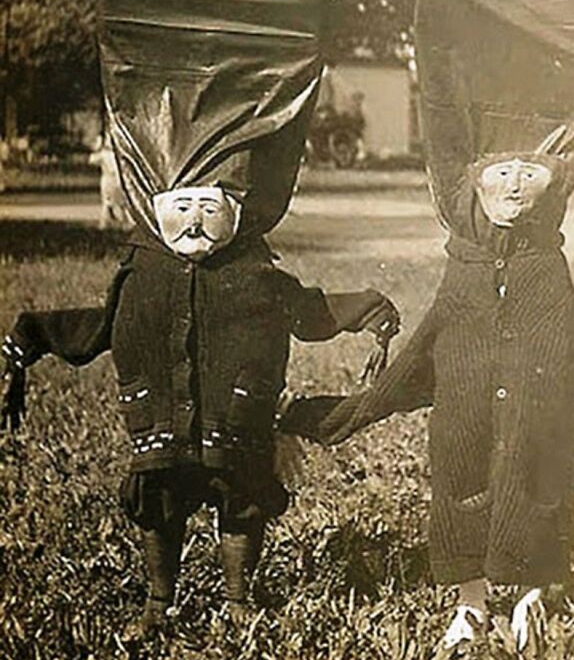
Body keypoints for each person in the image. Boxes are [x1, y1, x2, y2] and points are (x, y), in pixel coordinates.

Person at [280, 148, 574, 650]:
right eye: (501, 174)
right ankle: (470, 605)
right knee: (460, 494)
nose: (515, 187)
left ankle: (530, 596)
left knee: (540, 490)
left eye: (528, 175)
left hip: (540, 424)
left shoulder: (549, 272)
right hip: (462, 422)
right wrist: (322, 417)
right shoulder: (463, 273)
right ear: (474, 187)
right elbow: (413, 362)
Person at [1, 183, 399, 633]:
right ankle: (158, 600)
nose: (194, 220)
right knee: (160, 504)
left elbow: (309, 310)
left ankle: (237, 598)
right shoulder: (141, 275)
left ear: (235, 215)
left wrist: (366, 310)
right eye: (182, 207)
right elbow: (101, 324)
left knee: (242, 504)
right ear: (156, 213)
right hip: (161, 425)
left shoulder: (257, 275)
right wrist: (32, 335)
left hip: (237, 422)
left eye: (210, 208)